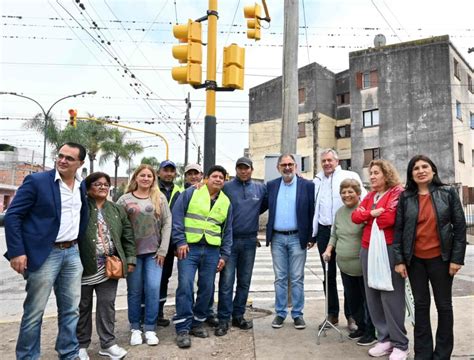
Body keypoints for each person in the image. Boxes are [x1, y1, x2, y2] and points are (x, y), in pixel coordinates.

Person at [4, 142, 88, 359]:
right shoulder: (37, 181)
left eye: (69, 158)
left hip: (72, 253)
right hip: (44, 255)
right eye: (60, 155)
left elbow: (82, 217)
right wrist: (16, 251)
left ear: (80, 163)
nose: (62, 160)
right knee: (34, 312)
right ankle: (28, 357)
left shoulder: (81, 186)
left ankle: (68, 353)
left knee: (71, 310)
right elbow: (13, 216)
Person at [393, 155, 466, 359]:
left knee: (444, 307)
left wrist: (456, 259)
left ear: (433, 170)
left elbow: (459, 228)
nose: (421, 170)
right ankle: (423, 354)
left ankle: (442, 354)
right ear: (411, 174)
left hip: (441, 261)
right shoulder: (405, 197)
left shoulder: (448, 193)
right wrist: (399, 260)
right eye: (416, 168)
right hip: (415, 261)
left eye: (425, 166)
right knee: (421, 307)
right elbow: (398, 231)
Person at [352, 159, 409, 360]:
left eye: (376, 172)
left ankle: (400, 343)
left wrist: (368, 215)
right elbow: (356, 217)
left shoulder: (397, 193)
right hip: (368, 248)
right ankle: (384, 339)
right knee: (373, 294)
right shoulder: (370, 196)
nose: (373, 176)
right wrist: (372, 213)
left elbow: (389, 219)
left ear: (387, 174)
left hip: (388, 248)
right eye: (371, 173)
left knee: (391, 296)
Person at [172, 165, 233, 349]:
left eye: (221, 177)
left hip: (212, 250)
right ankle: (183, 327)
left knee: (207, 287)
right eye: (214, 176)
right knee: (185, 285)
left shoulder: (226, 202)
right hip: (189, 248)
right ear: (206, 178)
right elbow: (177, 217)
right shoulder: (191, 193)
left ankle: (197, 322)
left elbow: (227, 231)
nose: (218, 180)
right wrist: (180, 241)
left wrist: (224, 254)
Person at [77, 172, 136, 360]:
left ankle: (108, 344)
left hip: (109, 267)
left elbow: (127, 235)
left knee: (107, 305)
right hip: (83, 265)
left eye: (105, 184)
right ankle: (80, 345)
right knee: (82, 306)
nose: (102, 187)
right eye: (97, 184)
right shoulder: (80, 207)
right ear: (87, 188)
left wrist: (130, 259)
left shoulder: (116, 209)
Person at [116, 164, 172, 346]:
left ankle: (149, 328)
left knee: (154, 289)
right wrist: (121, 253)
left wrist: (163, 250)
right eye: (143, 175)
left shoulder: (159, 198)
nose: (146, 178)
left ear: (153, 179)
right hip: (132, 255)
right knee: (134, 292)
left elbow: (167, 224)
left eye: (149, 176)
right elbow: (116, 226)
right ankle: (135, 328)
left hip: (154, 254)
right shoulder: (124, 200)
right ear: (136, 178)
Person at [313, 148, 366, 331]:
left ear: (337, 161)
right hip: (324, 231)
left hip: (347, 230)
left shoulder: (349, 175)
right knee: (328, 275)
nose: (327, 163)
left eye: (330, 160)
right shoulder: (317, 180)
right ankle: (332, 314)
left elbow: (363, 199)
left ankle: (351, 315)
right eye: (324, 161)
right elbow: (315, 207)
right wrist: (313, 234)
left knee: (349, 275)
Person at [215, 157, 268, 336]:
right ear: (236, 170)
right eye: (240, 168)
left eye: (246, 168)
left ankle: (238, 315)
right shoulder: (227, 187)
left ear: (252, 170)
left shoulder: (260, 189)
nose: (243, 171)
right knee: (226, 282)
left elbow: (262, 207)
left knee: (244, 282)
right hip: (229, 241)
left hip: (249, 242)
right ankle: (223, 319)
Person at [322, 179, 376, 346]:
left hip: (362, 265)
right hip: (344, 266)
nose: (346, 195)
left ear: (358, 193)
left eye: (350, 191)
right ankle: (360, 327)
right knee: (353, 299)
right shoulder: (339, 213)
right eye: (343, 192)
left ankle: (370, 331)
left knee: (368, 300)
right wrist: (329, 250)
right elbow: (335, 235)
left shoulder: (365, 211)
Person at [266, 154, 315, 330]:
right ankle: (280, 313)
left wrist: (311, 236)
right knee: (280, 278)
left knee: (296, 277)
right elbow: (260, 205)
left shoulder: (307, 186)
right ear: (278, 167)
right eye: (284, 164)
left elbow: (312, 210)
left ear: (295, 166)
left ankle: (297, 314)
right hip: (277, 238)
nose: (287, 167)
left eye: (290, 164)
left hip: (297, 237)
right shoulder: (271, 186)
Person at [157, 160, 183, 327]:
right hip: (149, 242)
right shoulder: (151, 189)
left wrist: (176, 243)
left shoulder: (180, 192)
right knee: (147, 280)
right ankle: (144, 314)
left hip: (169, 243)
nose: (168, 174)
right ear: (159, 172)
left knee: (164, 278)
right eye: (165, 170)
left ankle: (158, 312)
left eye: (171, 171)